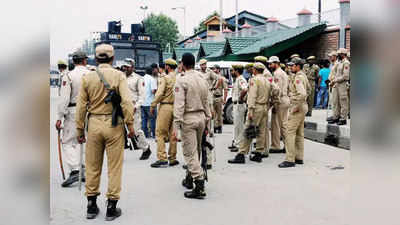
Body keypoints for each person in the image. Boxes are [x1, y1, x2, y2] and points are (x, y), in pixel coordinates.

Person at [75, 44, 135, 220]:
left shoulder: (88, 78)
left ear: (95, 58)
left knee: (93, 165)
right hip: (113, 124)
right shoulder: (119, 76)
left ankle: (91, 205)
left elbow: (80, 107)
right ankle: (111, 206)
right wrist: (130, 126)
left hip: (93, 123)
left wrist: (79, 129)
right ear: (112, 58)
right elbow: (126, 103)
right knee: (114, 167)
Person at [174, 53, 211, 199]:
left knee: (190, 152)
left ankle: (199, 184)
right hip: (201, 117)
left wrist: (175, 126)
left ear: (182, 64)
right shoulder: (202, 79)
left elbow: (179, 105)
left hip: (188, 118)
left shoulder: (181, 80)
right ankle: (189, 178)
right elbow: (207, 101)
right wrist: (207, 118)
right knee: (196, 150)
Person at [228, 62, 278, 164]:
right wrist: (272, 101)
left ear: (255, 70)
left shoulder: (254, 80)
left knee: (249, 130)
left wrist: (250, 110)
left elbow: (252, 96)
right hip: (264, 107)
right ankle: (258, 153)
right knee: (261, 131)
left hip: (256, 107)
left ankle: (241, 154)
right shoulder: (267, 80)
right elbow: (276, 90)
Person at [55, 51, 89, 187]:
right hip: (91, 111)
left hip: (74, 111)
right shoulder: (93, 74)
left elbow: (64, 99)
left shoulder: (68, 76)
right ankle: (82, 169)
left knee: (68, 141)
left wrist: (59, 117)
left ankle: (75, 170)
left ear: (74, 62)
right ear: (85, 61)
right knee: (83, 140)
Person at [278, 57, 308, 168]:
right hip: (302, 106)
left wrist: (296, 105)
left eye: (292, 66)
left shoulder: (298, 78)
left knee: (289, 132)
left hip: (297, 107)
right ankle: (299, 157)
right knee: (299, 133)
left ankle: (290, 159)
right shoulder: (302, 76)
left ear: (298, 66)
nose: (290, 68)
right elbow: (308, 90)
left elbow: (303, 94)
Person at [150, 59, 179, 168]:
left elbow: (159, 94)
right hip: (176, 107)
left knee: (160, 133)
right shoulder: (178, 78)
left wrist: (153, 105)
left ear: (167, 66)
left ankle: (162, 158)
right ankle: (172, 158)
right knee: (173, 134)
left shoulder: (165, 78)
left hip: (165, 106)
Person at [124, 58, 152, 160]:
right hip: (122, 107)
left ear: (133, 67)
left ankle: (146, 148)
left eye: (128, 67)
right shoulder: (121, 77)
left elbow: (142, 95)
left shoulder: (138, 79)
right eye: (125, 66)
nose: (125, 68)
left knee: (136, 130)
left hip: (133, 107)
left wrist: (136, 106)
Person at [198, 59, 219, 168]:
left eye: (204, 64)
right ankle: (199, 161)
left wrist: (213, 88)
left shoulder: (209, 72)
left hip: (208, 101)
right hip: (201, 104)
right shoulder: (198, 74)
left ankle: (208, 161)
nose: (203, 66)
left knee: (206, 133)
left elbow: (217, 79)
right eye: (202, 65)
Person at [268, 56, 289, 154]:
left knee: (280, 125)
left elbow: (277, 90)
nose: (269, 65)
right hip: (284, 99)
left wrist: (275, 102)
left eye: (271, 63)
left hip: (280, 100)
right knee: (278, 124)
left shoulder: (277, 74)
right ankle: (278, 145)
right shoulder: (282, 72)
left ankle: (287, 146)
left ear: (276, 63)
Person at [329, 48, 350, 125]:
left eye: (339, 54)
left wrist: (336, 80)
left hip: (342, 85)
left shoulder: (346, 63)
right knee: (336, 101)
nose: (338, 55)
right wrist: (333, 81)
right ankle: (336, 116)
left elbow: (346, 76)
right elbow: (336, 74)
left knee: (343, 102)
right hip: (337, 84)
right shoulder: (339, 63)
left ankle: (343, 118)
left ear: (343, 54)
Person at [229, 64, 248, 152]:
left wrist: (240, 98)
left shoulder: (241, 79)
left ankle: (239, 144)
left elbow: (245, 89)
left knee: (239, 126)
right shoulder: (237, 79)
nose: (231, 72)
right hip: (236, 104)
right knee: (237, 126)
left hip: (239, 104)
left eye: (232, 70)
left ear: (236, 71)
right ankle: (236, 142)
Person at [141, 64, 158, 138]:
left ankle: (145, 134)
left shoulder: (142, 78)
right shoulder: (152, 79)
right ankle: (153, 134)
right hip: (150, 102)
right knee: (152, 119)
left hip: (142, 102)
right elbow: (153, 90)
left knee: (144, 119)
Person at [211, 64, 227, 134]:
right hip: (212, 97)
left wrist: (224, 99)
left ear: (218, 69)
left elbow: (225, 89)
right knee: (213, 114)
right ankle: (215, 127)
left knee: (219, 114)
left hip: (219, 97)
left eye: (215, 69)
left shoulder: (222, 78)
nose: (214, 70)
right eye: (213, 69)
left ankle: (219, 127)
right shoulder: (212, 78)